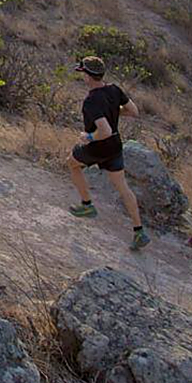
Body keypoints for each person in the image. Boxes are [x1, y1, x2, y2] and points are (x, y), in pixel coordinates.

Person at [67, 55, 150, 251]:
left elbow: (104, 131)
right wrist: (113, 110)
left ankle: (87, 205)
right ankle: (139, 231)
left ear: (88, 76)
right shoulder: (114, 89)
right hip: (115, 147)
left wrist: (88, 137)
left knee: (72, 162)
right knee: (123, 188)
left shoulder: (91, 101)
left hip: (97, 148)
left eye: (83, 73)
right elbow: (134, 111)